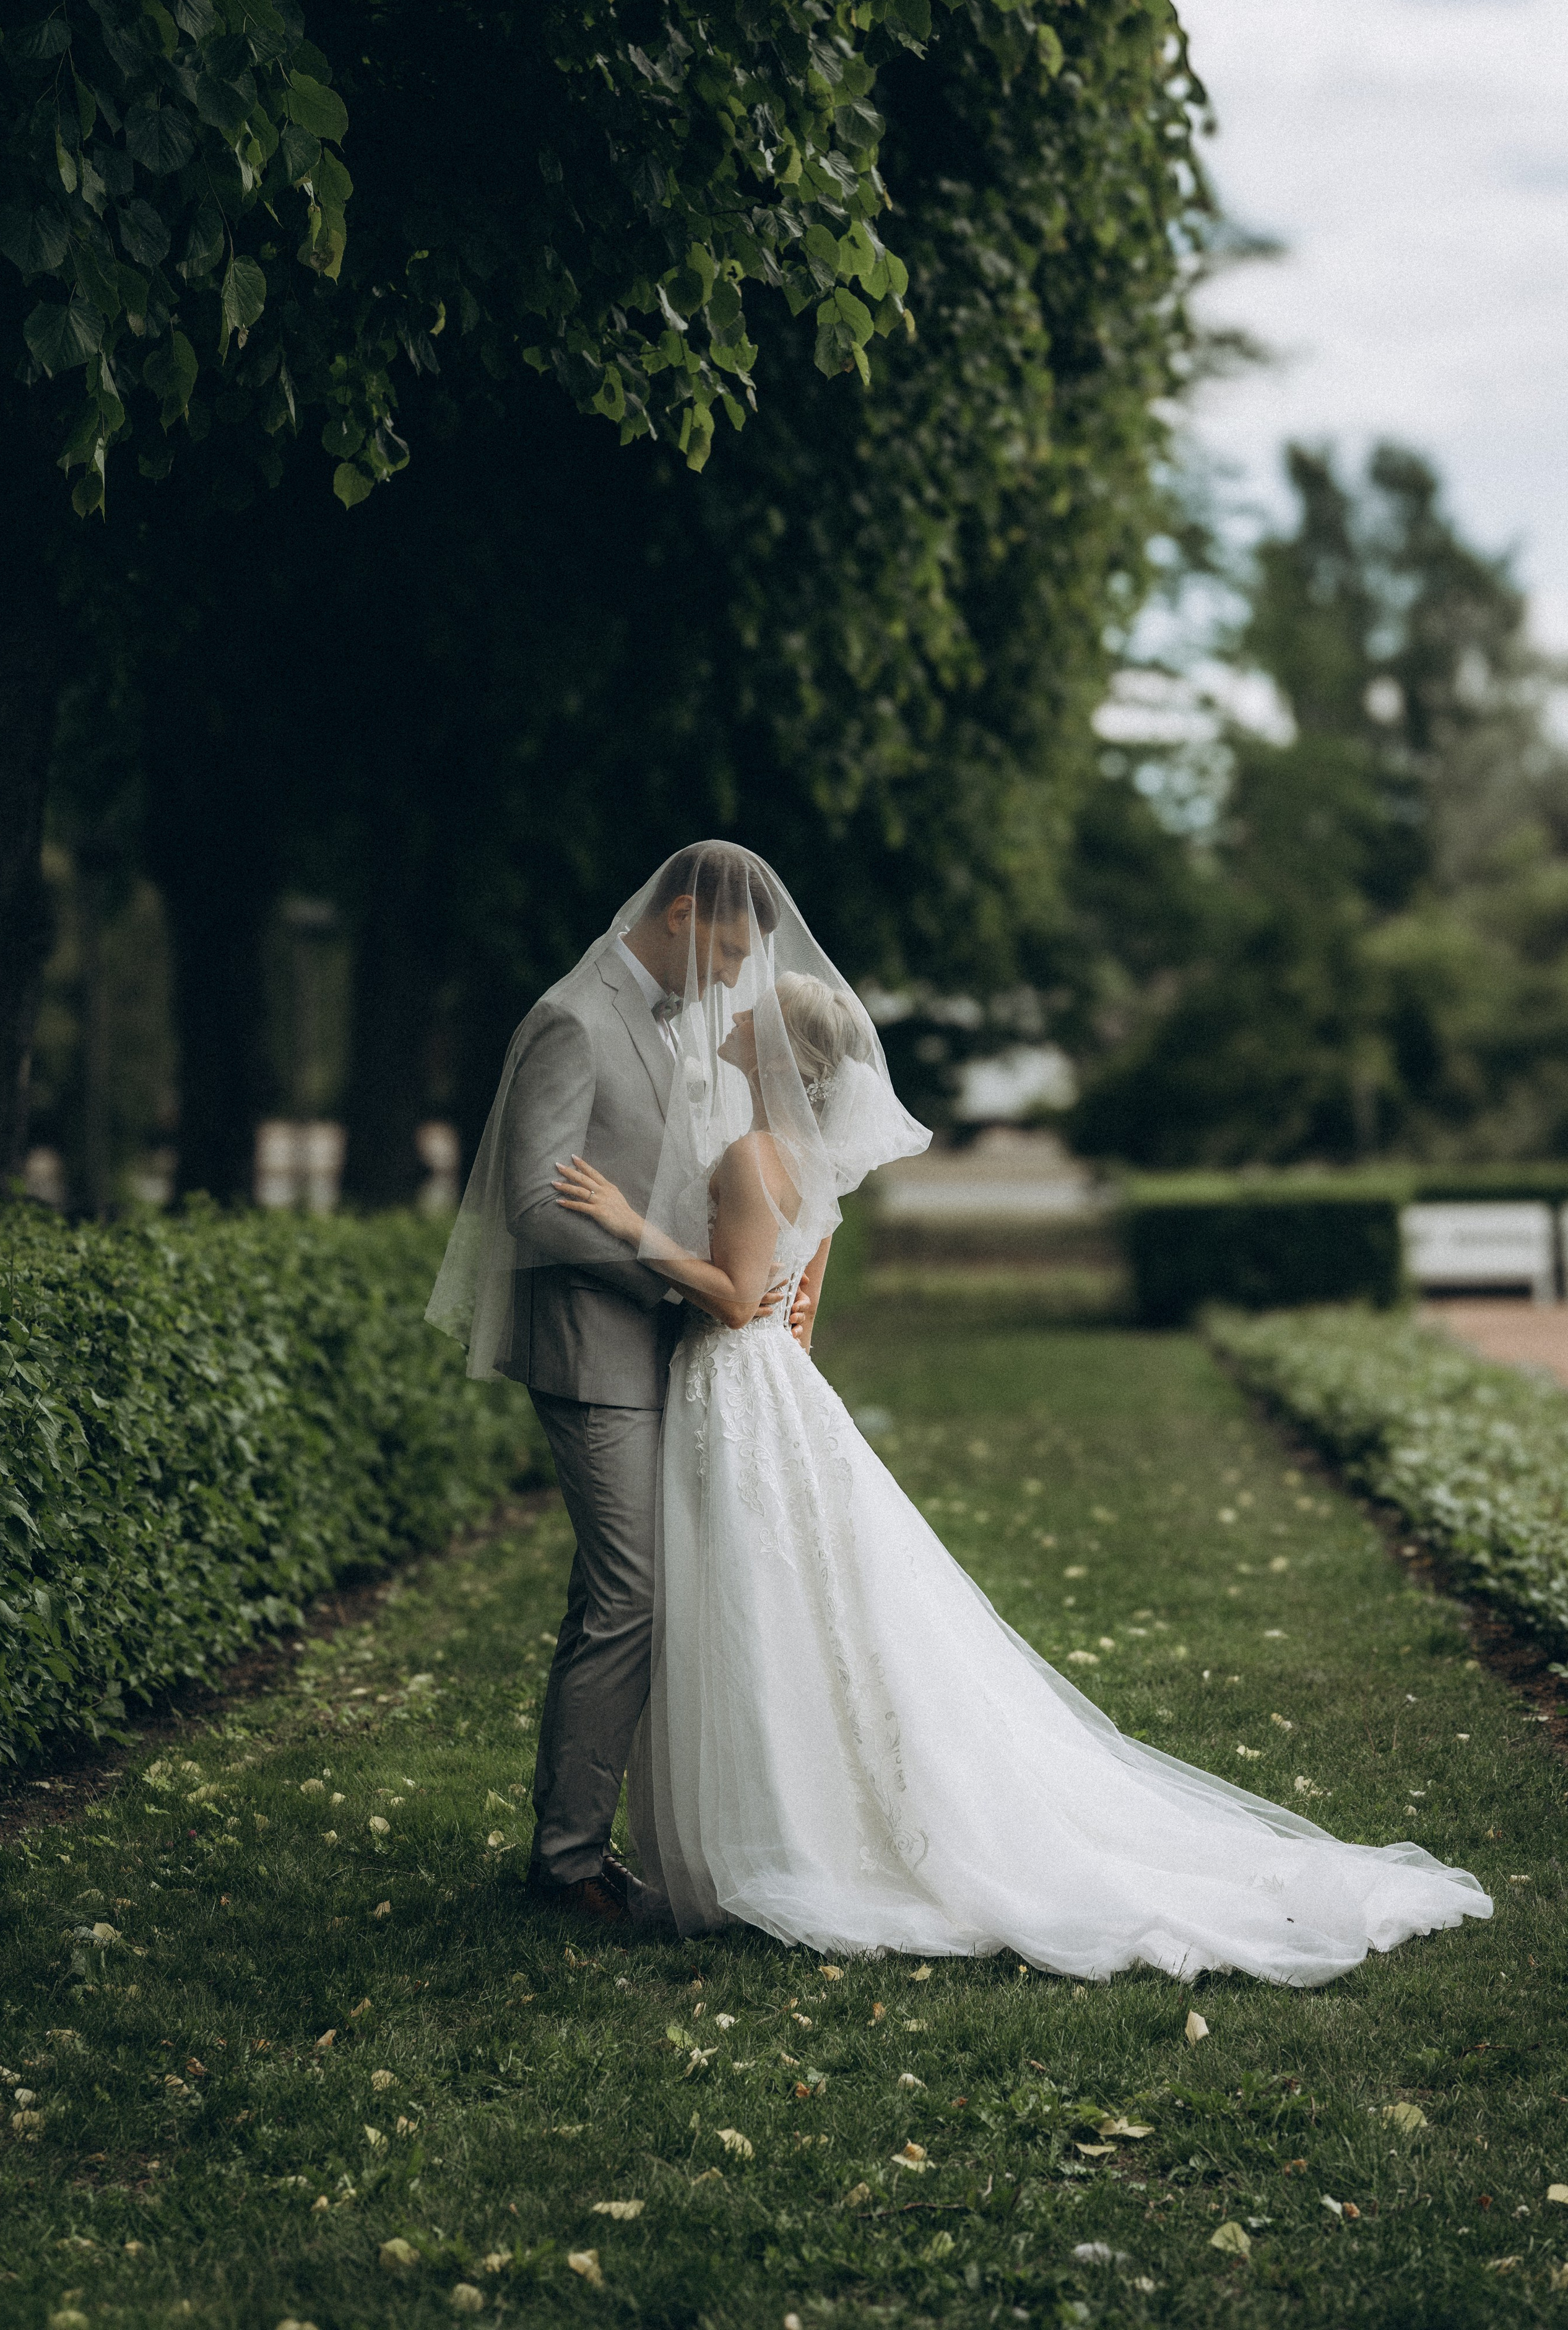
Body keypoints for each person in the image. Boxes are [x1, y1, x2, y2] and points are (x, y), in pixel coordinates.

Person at [551, 847, 1493, 1985]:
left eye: (751, 1021)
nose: (733, 1022)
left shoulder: (755, 1152)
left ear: (779, 1059)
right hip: (774, 1387)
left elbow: (743, 1295)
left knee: (757, 1597)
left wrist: (629, 1226)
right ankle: (791, 1812)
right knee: (789, 1599)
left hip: (736, 1383)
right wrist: (777, 1336)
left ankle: (785, 1833)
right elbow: (801, 1303)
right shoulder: (817, 1164)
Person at [427, 842, 797, 1921]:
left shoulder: (663, 1016)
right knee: (630, 1596)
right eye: (726, 952)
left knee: (614, 1595)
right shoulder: (572, 1018)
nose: (731, 980)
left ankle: (573, 1844)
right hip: (594, 1349)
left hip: (653, 1345)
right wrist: (665, 1276)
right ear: (680, 914)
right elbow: (536, 1202)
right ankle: (571, 1866)